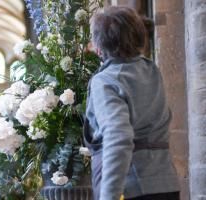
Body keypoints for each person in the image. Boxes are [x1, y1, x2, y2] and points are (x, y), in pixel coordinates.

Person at [84, 6, 180, 200]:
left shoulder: (106, 81)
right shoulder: (150, 70)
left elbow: (118, 137)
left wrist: (108, 196)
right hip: (166, 184)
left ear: (99, 45)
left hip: (131, 188)